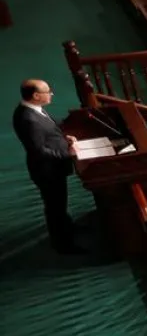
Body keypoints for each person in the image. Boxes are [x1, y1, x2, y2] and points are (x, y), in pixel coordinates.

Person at [13, 79, 80, 253]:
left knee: (59, 204)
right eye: (48, 91)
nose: (51, 94)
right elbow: (39, 151)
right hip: (47, 171)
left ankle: (68, 228)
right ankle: (64, 245)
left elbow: (51, 128)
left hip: (53, 168)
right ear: (36, 96)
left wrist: (65, 137)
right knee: (55, 207)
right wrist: (68, 153)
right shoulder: (29, 119)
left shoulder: (34, 109)